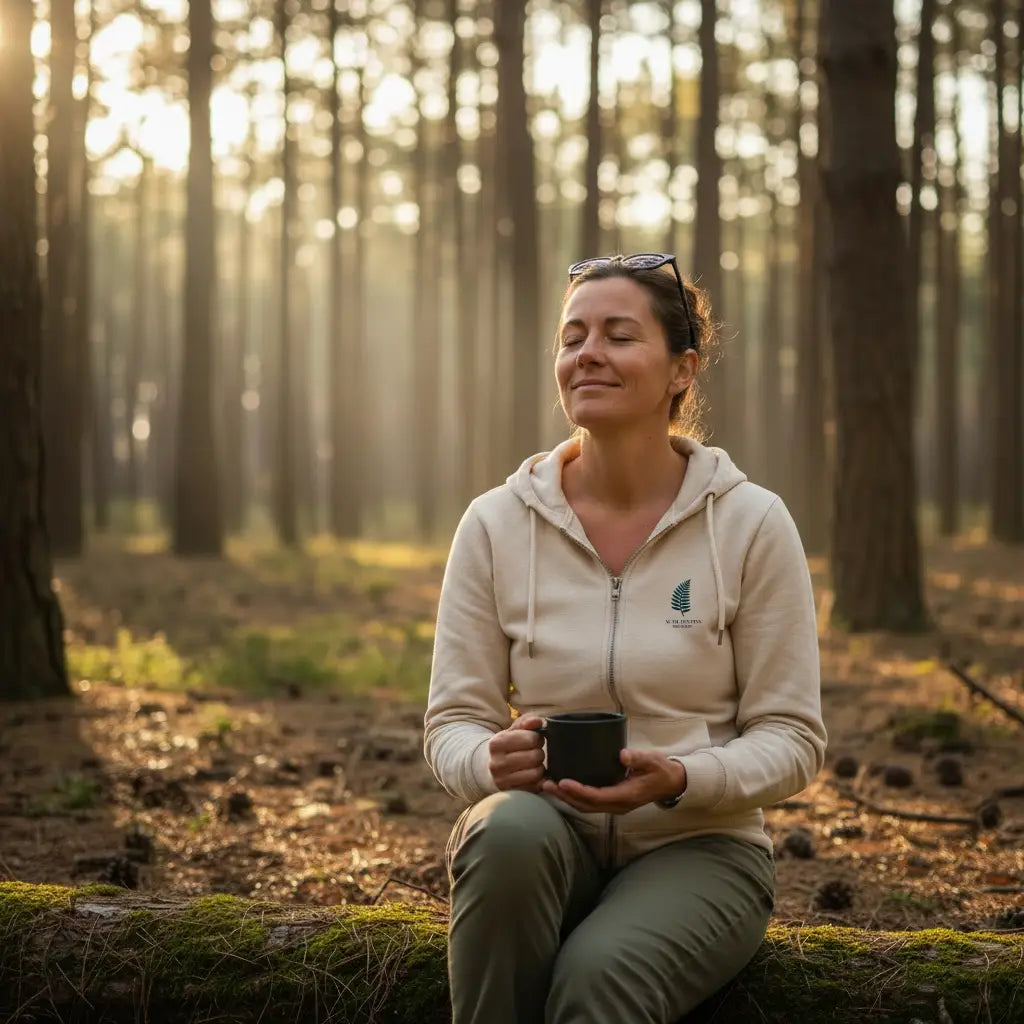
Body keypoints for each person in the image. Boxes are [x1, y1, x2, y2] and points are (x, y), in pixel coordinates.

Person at [423, 252, 827, 1024]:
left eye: (618, 335)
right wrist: (486, 759)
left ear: (682, 370)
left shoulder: (750, 524)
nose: (588, 354)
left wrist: (682, 776)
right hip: (542, 843)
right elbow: (451, 726)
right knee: (503, 833)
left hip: (701, 849)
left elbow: (793, 737)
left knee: (597, 978)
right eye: (572, 337)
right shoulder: (496, 524)